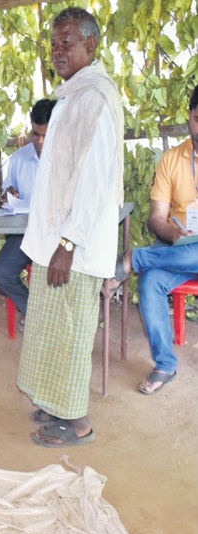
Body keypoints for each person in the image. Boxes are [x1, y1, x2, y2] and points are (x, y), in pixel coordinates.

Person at [17, 7, 124, 448]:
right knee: (51, 329)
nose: (58, 51)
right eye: (54, 43)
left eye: (67, 42)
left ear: (90, 45)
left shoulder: (95, 98)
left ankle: (77, 423)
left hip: (73, 246)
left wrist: (67, 243)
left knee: (71, 333)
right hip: (57, 241)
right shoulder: (73, 95)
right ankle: (55, 403)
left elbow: (94, 182)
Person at [106, 84, 198, 395]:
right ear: (189, 116)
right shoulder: (172, 159)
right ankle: (165, 364)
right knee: (150, 283)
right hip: (180, 250)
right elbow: (157, 218)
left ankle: (134, 259)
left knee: (156, 263)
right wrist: (174, 233)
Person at [0, 99, 56, 327]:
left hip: (57, 236)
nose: (39, 141)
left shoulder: (68, 159)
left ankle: (52, 318)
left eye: (46, 135)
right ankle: (35, 314)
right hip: (25, 236)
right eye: (35, 134)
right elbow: (7, 195)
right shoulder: (19, 159)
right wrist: (8, 194)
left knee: (58, 271)